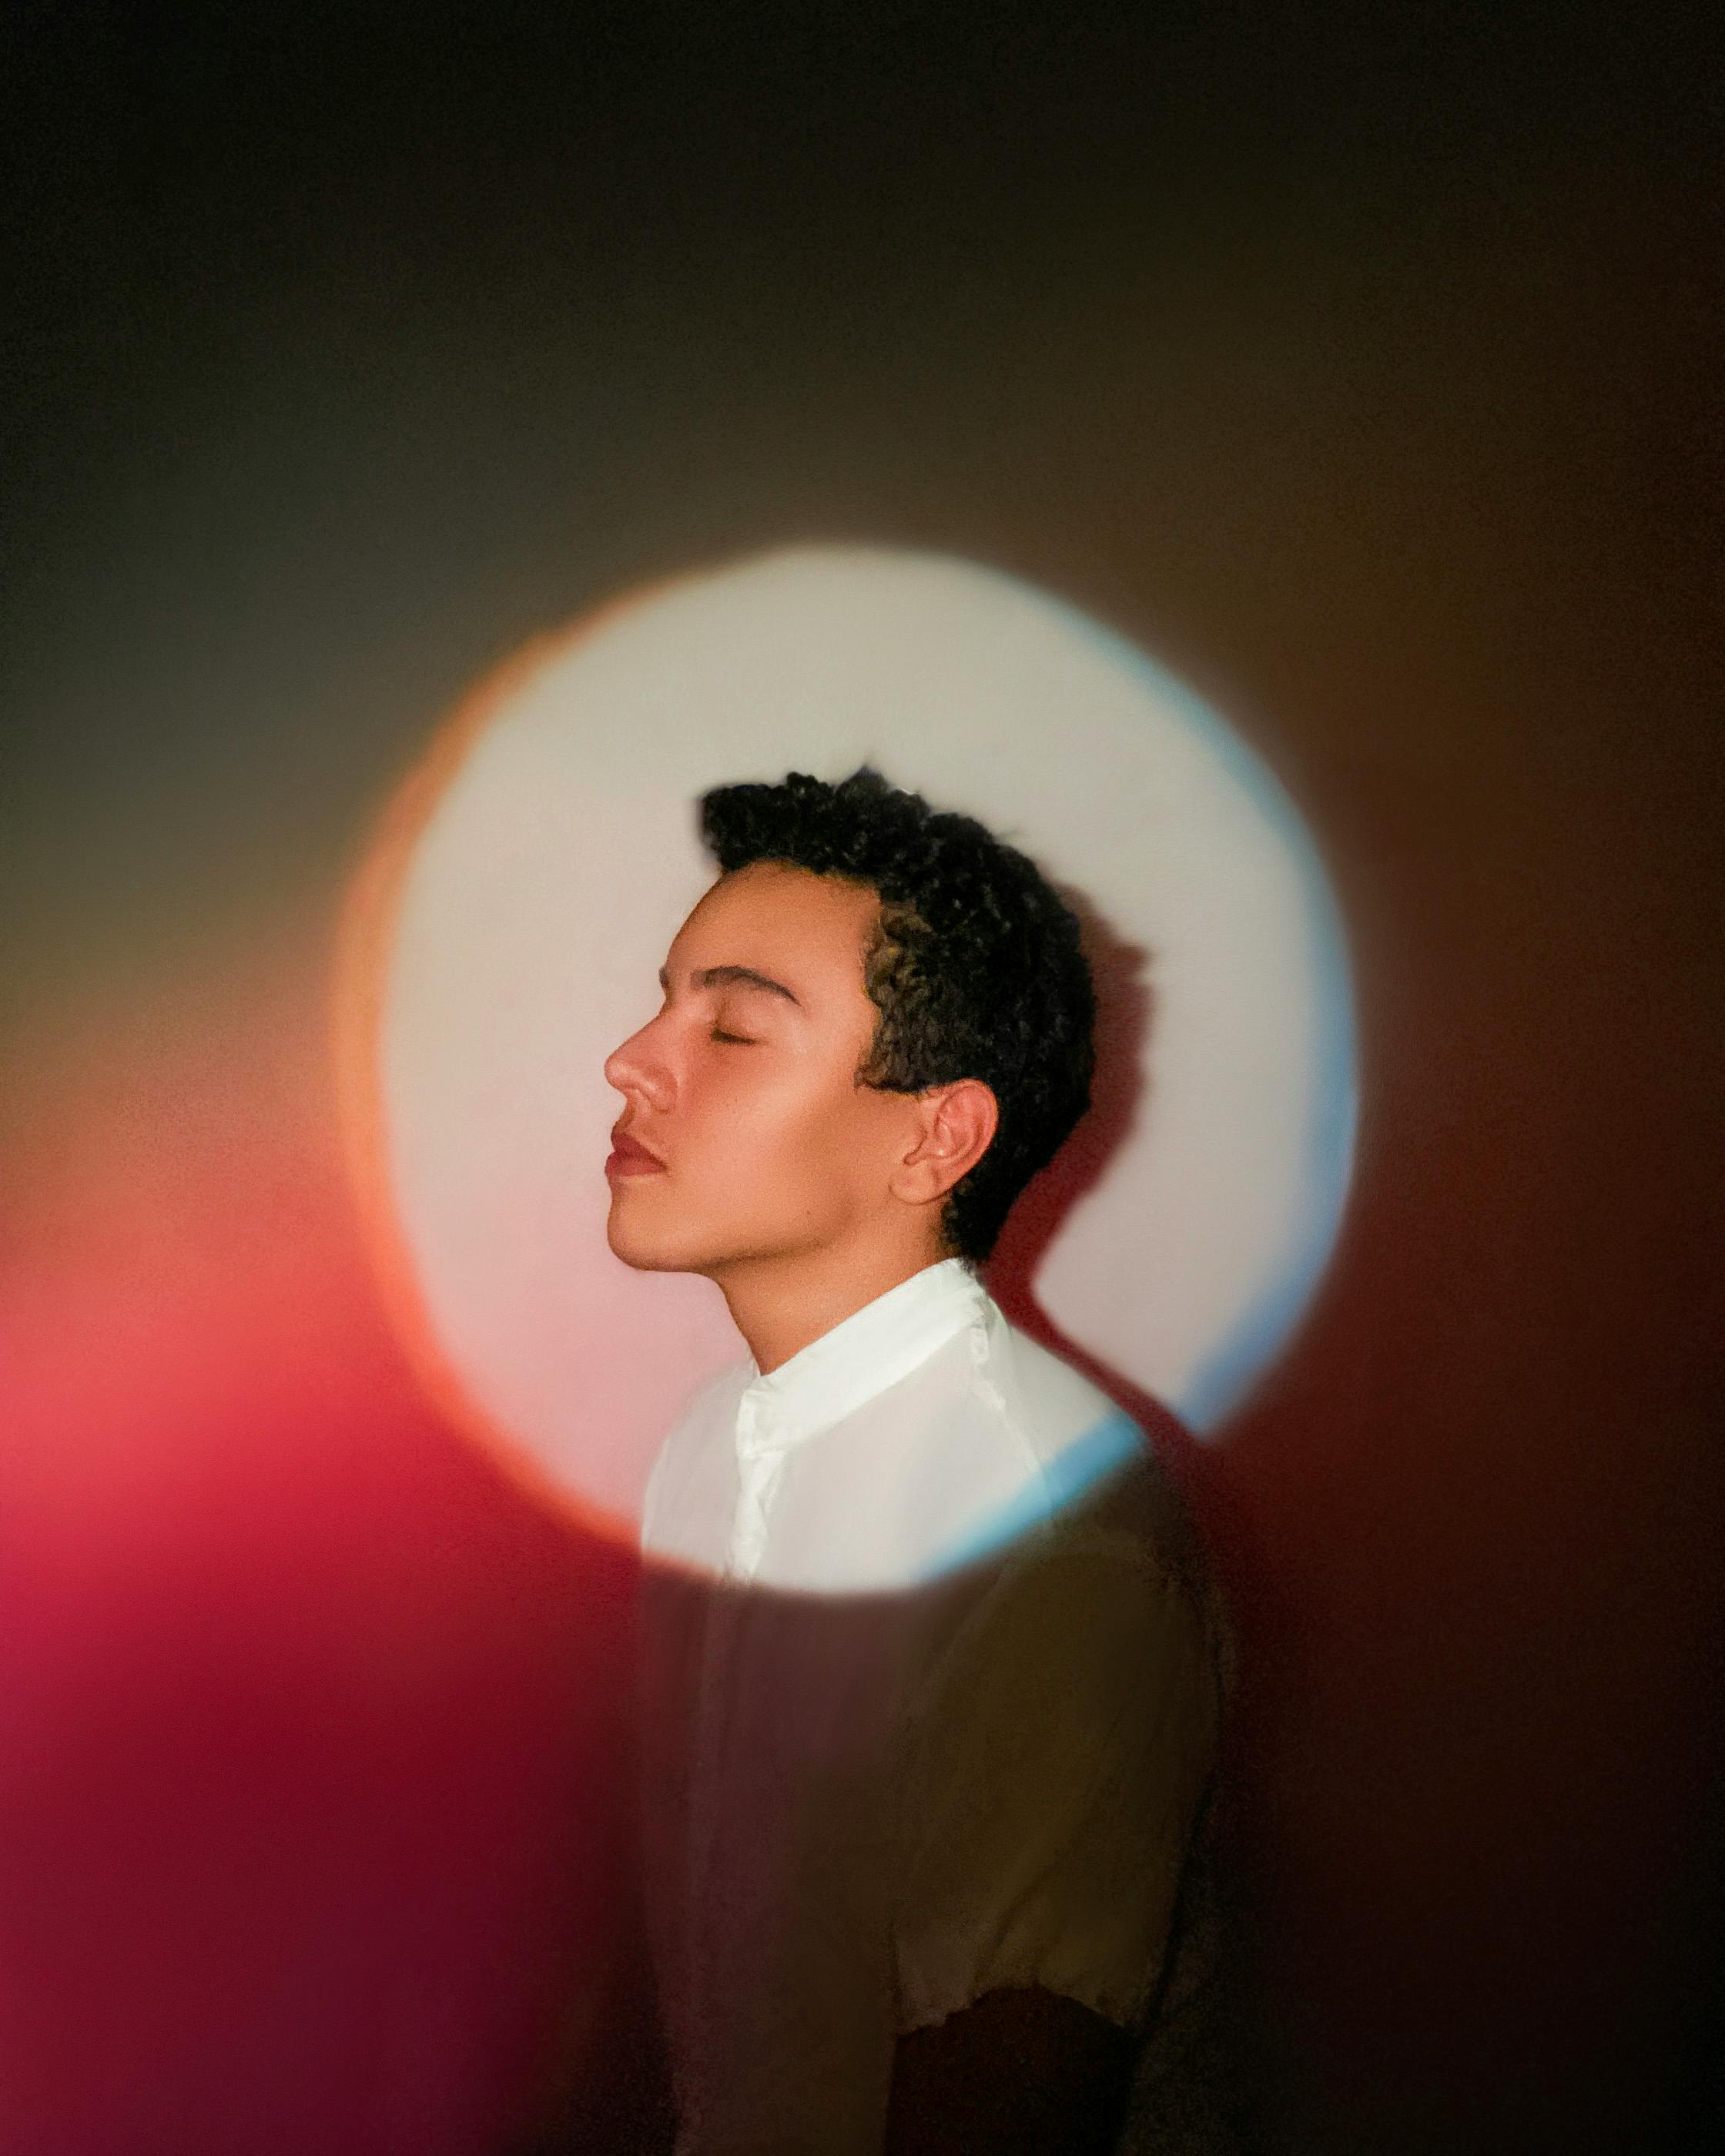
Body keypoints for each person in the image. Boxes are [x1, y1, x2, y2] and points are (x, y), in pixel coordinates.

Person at [602, 766, 1228, 2154]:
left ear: (936, 1137)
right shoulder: (708, 1447)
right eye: (663, 1000)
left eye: (736, 1028)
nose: (634, 1059)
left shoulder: (1053, 1547)